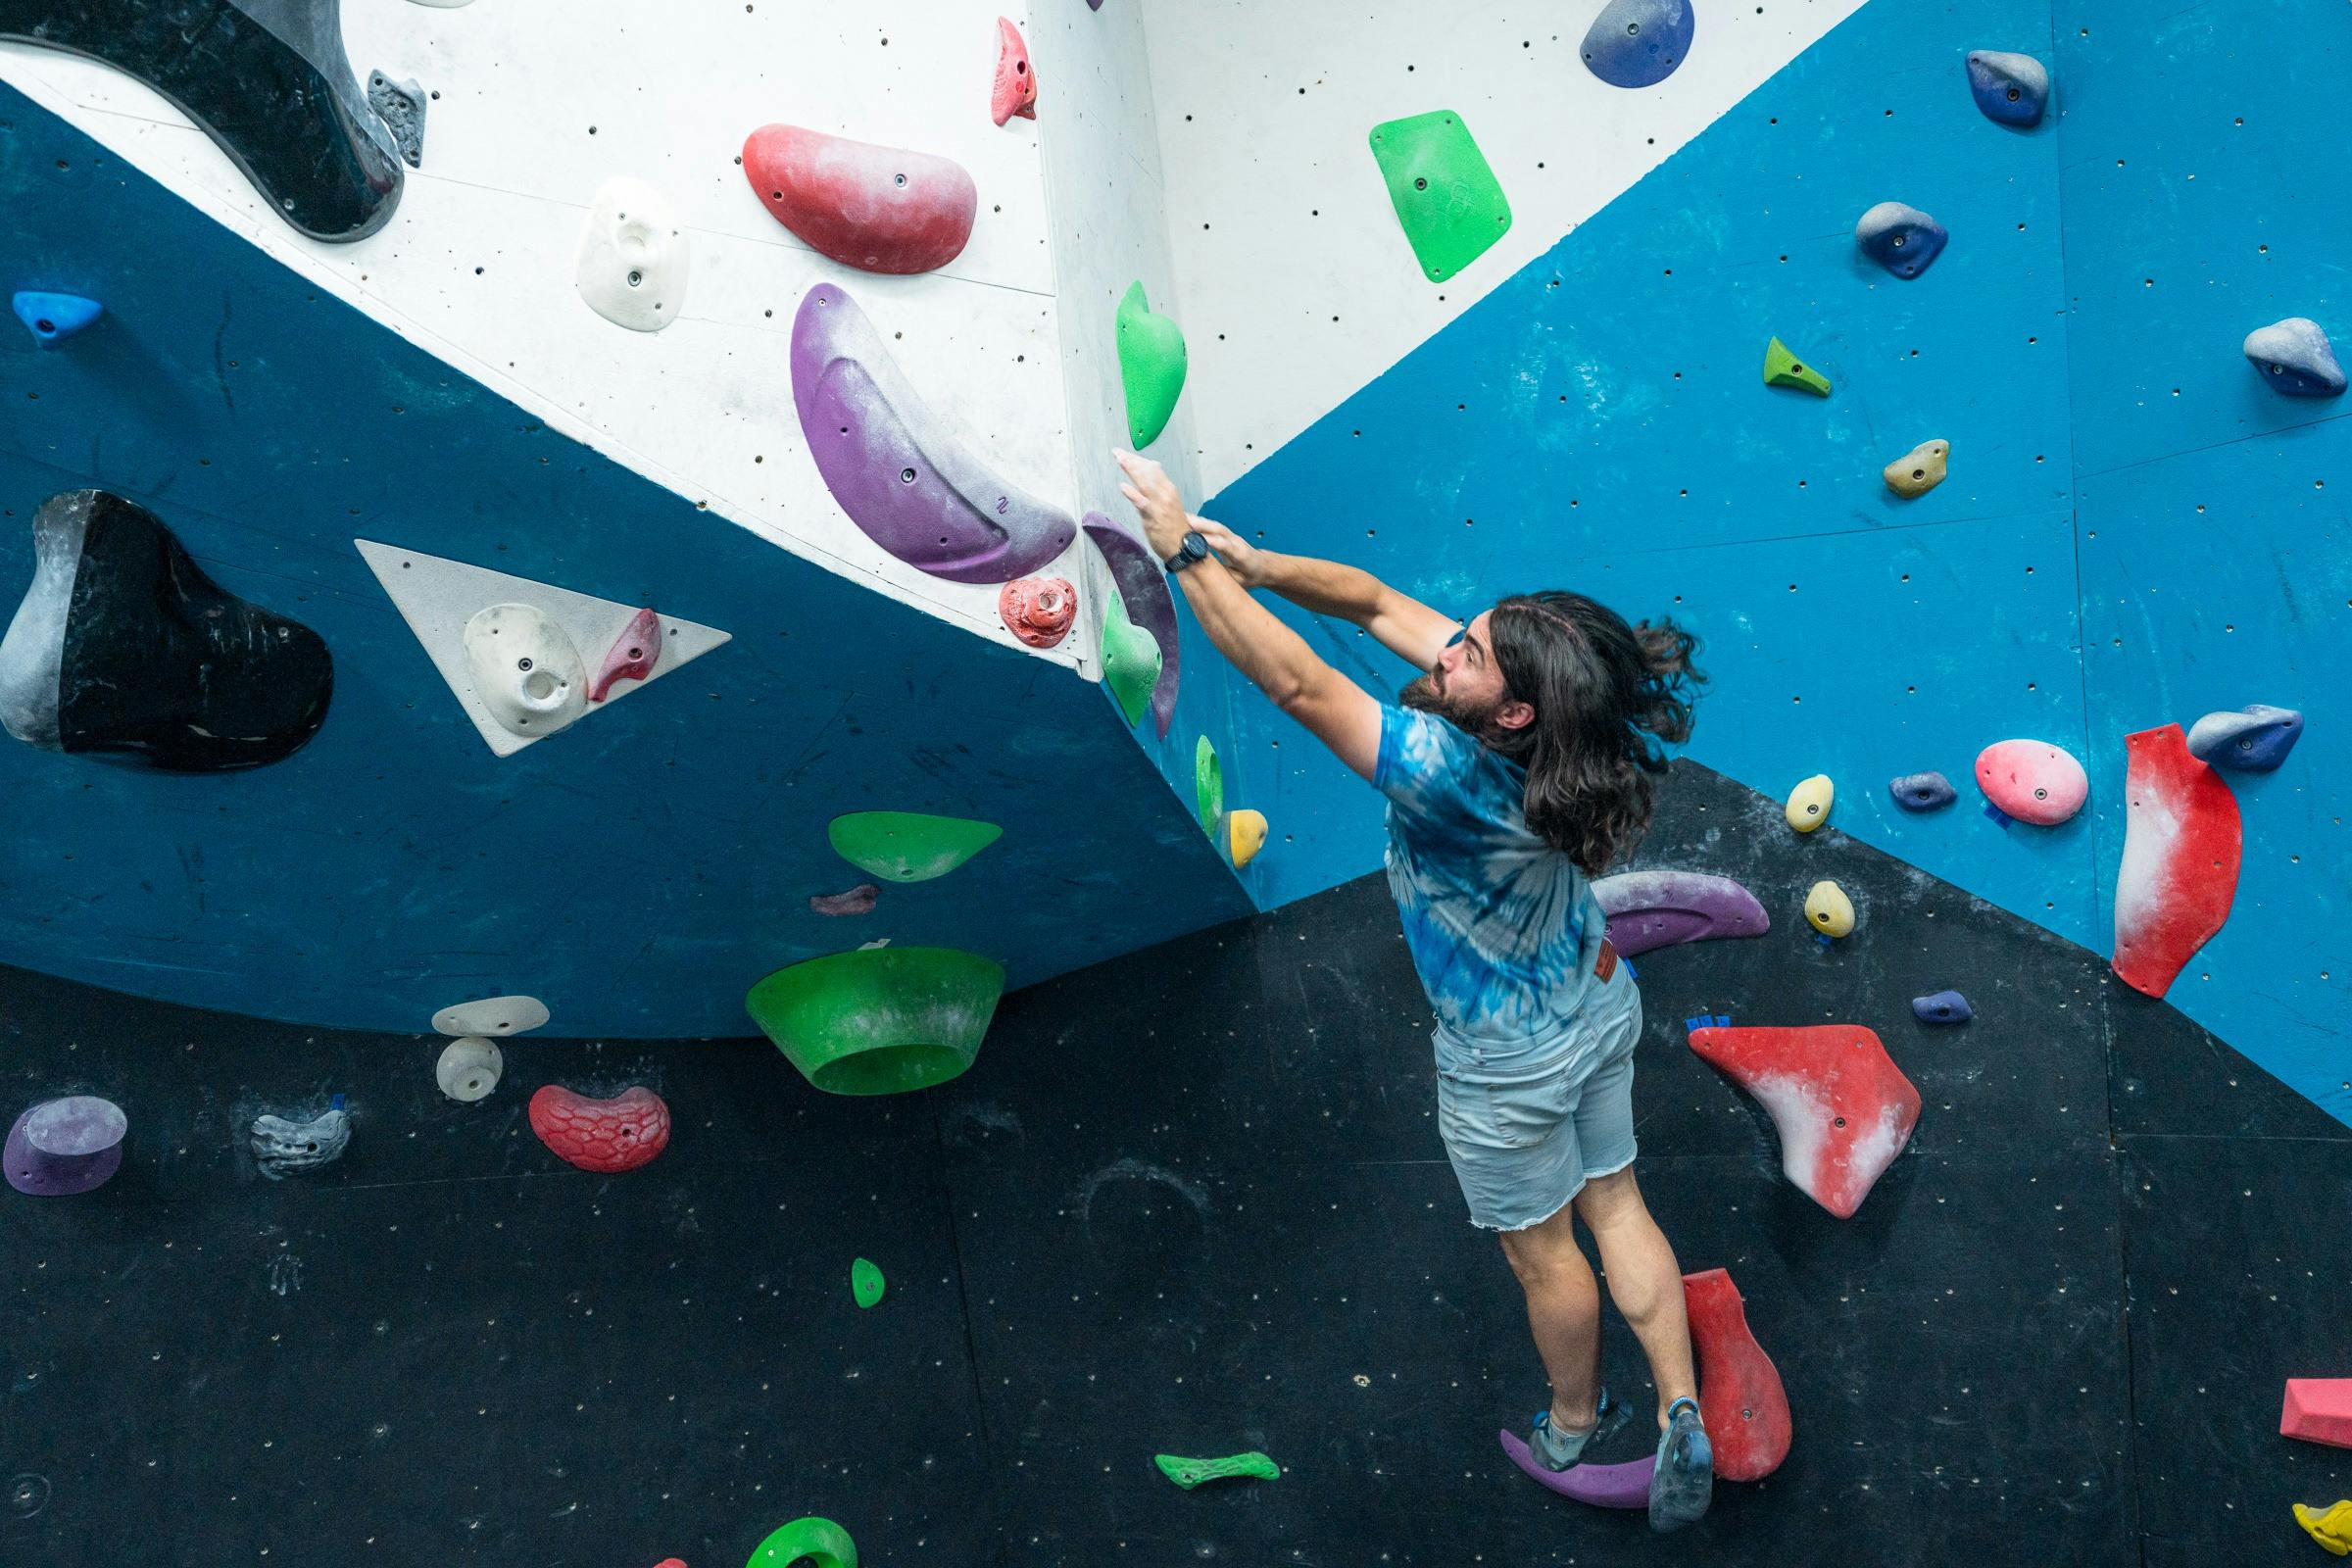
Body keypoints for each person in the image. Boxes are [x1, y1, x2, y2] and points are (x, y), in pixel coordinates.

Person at [1115, 450, 1714, 1532]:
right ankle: (1682, 1407)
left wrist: (1187, 555)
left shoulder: (1442, 768)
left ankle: (1574, 1424)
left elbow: (1299, 685)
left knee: (1546, 1254)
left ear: (1513, 711)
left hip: (1507, 1068)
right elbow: (1380, 602)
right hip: (1595, 998)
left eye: (1469, 651)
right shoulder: (1564, 731)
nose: (1449, 647)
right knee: (1618, 1198)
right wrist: (1261, 565)